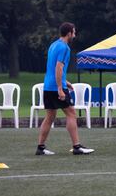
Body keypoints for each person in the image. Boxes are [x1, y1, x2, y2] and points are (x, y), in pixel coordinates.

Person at [36, 22, 94, 155]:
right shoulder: (64, 48)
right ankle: (77, 146)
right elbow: (58, 67)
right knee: (71, 113)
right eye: (74, 32)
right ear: (69, 33)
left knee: (50, 117)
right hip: (56, 87)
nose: (75, 35)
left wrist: (65, 81)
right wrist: (60, 88)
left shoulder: (53, 45)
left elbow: (51, 68)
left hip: (48, 86)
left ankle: (40, 148)